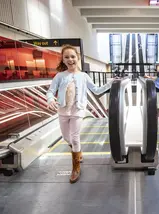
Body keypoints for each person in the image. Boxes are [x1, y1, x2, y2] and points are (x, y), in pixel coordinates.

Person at [47, 45, 113, 183]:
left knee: (75, 138)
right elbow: (51, 91)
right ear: (63, 60)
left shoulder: (84, 76)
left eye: (73, 56)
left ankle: (76, 167)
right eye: (67, 57)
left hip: (78, 110)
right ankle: (78, 151)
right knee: (66, 137)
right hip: (63, 111)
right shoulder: (60, 76)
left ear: (78, 58)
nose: (70, 59)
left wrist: (110, 83)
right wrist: (50, 98)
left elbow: (96, 90)